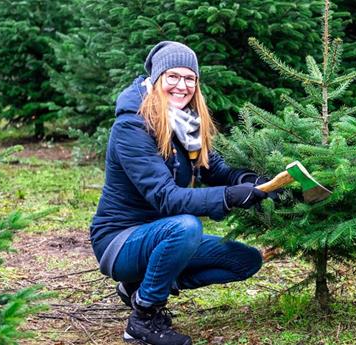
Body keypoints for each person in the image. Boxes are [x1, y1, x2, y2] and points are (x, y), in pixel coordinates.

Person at [90, 41, 274, 345]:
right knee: (187, 225)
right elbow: (167, 198)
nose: (182, 85)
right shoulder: (131, 127)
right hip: (120, 241)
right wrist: (229, 196)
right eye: (173, 76)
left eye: (190, 78)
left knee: (246, 261)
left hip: (166, 236)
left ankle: (140, 285)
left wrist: (256, 183)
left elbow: (216, 169)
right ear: (157, 78)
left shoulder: (186, 122)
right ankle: (144, 317)